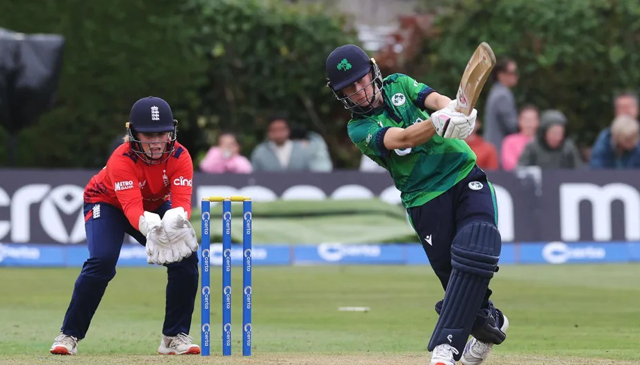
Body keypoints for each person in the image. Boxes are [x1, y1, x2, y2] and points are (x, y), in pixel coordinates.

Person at [326, 44, 508, 365]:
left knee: (476, 245)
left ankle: (446, 348)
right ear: (341, 95)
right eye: (349, 88)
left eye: (361, 79)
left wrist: (457, 109)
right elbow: (405, 138)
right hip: (423, 198)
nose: (360, 90)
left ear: (373, 71)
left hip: (464, 175)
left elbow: (434, 100)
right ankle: (488, 322)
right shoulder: (359, 129)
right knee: (455, 277)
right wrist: (441, 121)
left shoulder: (398, 83)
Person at [49, 96, 201, 356]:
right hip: (107, 203)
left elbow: (182, 202)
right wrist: (149, 227)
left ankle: (173, 337)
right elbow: (131, 208)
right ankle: (69, 334)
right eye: (148, 134)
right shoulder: (122, 157)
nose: (155, 142)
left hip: (152, 205)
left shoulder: (180, 156)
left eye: (162, 133)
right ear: (133, 133)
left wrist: (176, 221)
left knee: (186, 258)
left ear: (171, 132)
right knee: (102, 261)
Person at [518, 109, 583, 169]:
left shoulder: (568, 148)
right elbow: (521, 170)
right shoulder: (532, 147)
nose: (557, 137)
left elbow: (579, 170)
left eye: (560, 133)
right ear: (544, 133)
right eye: (553, 133)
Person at [250, 114, 316, 171]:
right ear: (269, 132)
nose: (279, 133)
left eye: (281, 129)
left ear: (288, 130)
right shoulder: (260, 152)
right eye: (275, 130)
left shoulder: (302, 150)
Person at [483, 58, 519, 157]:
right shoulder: (503, 95)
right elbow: (511, 125)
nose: (516, 76)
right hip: (500, 148)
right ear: (501, 75)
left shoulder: (495, 91)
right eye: (512, 72)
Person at [500, 105, 540, 171]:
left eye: (532, 120)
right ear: (519, 121)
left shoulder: (543, 142)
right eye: (526, 119)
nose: (529, 123)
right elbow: (509, 165)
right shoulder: (509, 141)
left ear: (538, 121)